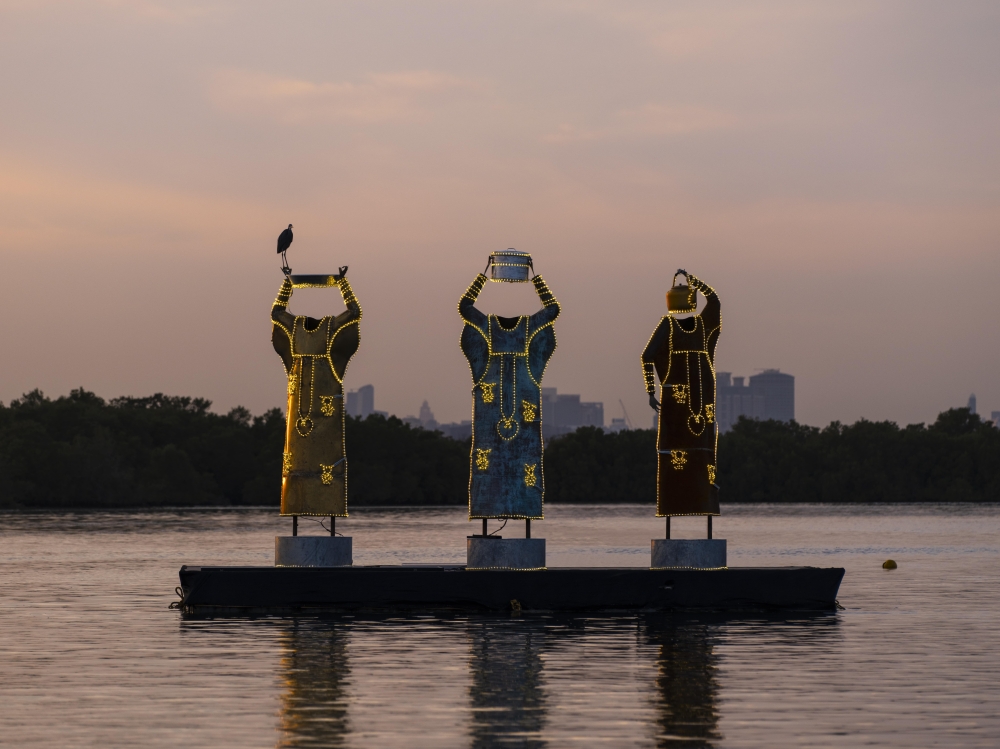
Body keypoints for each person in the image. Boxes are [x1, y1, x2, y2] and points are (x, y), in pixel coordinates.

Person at [458, 258, 559, 521]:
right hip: (489, 428)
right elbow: (552, 309)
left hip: (523, 428)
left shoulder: (528, 332)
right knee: (487, 471)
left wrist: (533, 276)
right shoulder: (487, 331)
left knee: (526, 470)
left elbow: (465, 307)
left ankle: (522, 511)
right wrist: (486, 274)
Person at [271, 267, 360, 518]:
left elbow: (354, 314)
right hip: (298, 425)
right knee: (295, 467)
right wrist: (287, 283)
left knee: (328, 466)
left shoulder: (331, 334)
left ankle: (327, 512)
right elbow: (277, 313)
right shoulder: (295, 334)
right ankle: (296, 512)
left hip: (326, 422)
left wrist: (342, 284)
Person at [641, 270, 721, 519]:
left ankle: (704, 502)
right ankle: (673, 505)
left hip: (702, 401)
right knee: (675, 450)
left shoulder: (702, 326)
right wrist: (651, 390)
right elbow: (647, 356)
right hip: (676, 404)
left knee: (703, 450)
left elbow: (715, 301)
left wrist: (693, 281)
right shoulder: (668, 325)